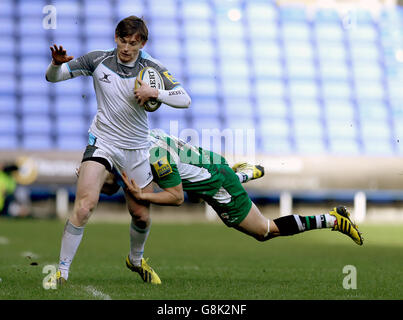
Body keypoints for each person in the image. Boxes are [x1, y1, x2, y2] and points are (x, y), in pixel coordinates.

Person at [46, 16, 191, 285]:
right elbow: (53, 78)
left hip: (137, 149)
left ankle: (136, 259)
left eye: (133, 43)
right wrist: (56, 64)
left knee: (141, 215)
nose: (126, 48)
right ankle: (61, 271)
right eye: (123, 41)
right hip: (103, 143)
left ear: (142, 43)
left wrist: (154, 93)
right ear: (116, 38)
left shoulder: (152, 68)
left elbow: (185, 99)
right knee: (86, 205)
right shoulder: (97, 59)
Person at [100, 129, 364, 259]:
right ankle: (243, 174)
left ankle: (333, 219)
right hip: (209, 164)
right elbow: (114, 184)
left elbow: (176, 198)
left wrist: (142, 196)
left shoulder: (154, 157)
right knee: (196, 194)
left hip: (216, 182)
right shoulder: (146, 135)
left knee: (264, 231)